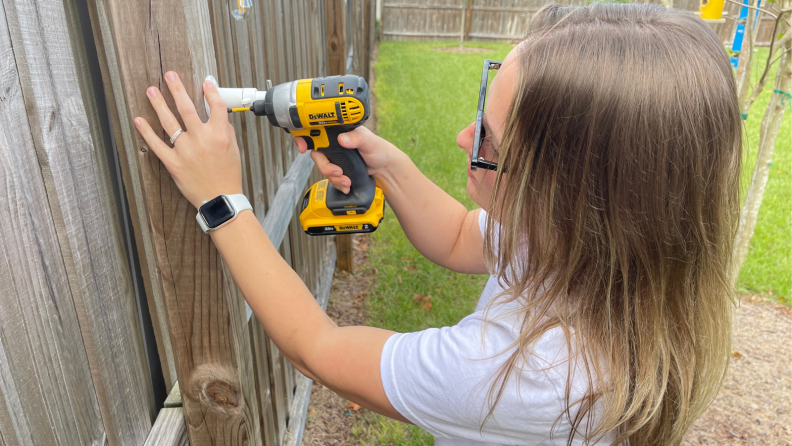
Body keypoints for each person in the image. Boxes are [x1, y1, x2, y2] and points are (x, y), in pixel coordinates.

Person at [134, 3, 742, 445]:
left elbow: (319, 350)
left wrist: (222, 201)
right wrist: (385, 163)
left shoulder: (533, 376)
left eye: (490, 141)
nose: (462, 138)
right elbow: (456, 235)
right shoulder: (589, 252)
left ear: (571, 196)